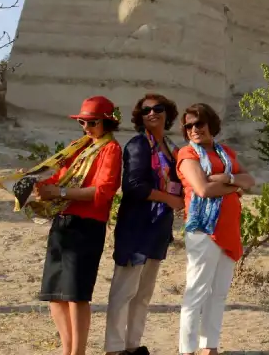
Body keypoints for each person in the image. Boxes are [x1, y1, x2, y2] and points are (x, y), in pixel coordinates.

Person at [32, 96, 124, 355]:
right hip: (63, 221)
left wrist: (59, 193)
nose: (85, 127)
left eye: (91, 122)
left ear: (106, 122)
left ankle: (78, 352)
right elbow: (59, 176)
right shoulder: (79, 146)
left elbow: (103, 192)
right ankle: (68, 350)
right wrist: (34, 184)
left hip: (88, 224)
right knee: (54, 294)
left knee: (76, 294)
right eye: (82, 122)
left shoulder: (111, 149)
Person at [105, 94, 183, 355]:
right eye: (146, 110)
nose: (152, 113)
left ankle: (133, 346)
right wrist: (170, 199)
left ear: (167, 113)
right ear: (139, 117)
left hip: (158, 228)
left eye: (158, 108)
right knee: (124, 291)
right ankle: (114, 348)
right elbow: (134, 187)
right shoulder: (138, 145)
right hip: (136, 227)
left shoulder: (171, 148)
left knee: (144, 293)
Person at [176, 103, 255, 355]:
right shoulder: (187, 154)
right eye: (188, 126)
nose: (194, 129)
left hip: (229, 227)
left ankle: (209, 347)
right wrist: (235, 185)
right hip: (203, 230)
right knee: (196, 292)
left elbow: (250, 180)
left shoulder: (225, 152)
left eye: (199, 123)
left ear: (211, 124)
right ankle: (186, 351)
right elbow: (203, 190)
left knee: (218, 293)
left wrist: (227, 179)